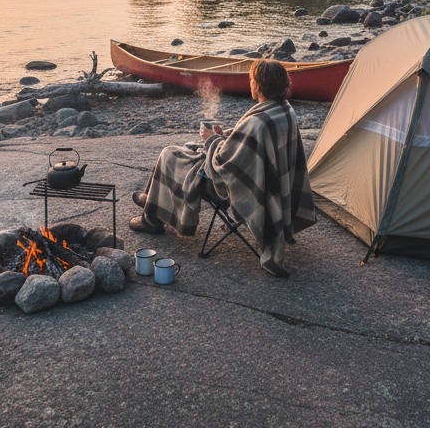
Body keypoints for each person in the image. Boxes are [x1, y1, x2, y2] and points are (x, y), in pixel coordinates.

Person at [129, 59, 317, 277]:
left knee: (170, 154)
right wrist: (226, 135)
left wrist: (211, 140)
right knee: (183, 152)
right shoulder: (284, 109)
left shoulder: (258, 122)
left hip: (234, 185)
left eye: (251, 79)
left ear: (259, 84)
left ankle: (151, 218)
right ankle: (150, 200)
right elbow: (249, 145)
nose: (250, 83)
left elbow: (224, 163)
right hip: (268, 181)